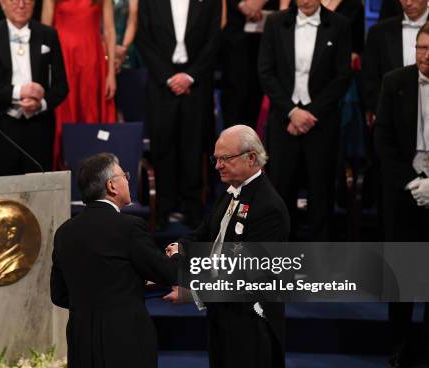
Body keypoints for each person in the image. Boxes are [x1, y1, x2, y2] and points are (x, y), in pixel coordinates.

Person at [164, 125, 290, 368]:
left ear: (251, 159)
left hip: (251, 326)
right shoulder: (230, 194)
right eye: (216, 159)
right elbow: (201, 234)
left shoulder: (268, 207)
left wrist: (193, 293)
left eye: (225, 159)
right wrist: (179, 248)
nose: (218, 165)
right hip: (222, 319)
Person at [50, 153, 179, 368]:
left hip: (81, 337)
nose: (128, 181)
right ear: (111, 186)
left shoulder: (65, 232)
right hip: (124, 337)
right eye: (125, 176)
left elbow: (59, 294)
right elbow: (168, 274)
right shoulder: (129, 227)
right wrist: (175, 255)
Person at [257, 0, 351, 241]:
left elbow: (342, 76)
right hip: (284, 121)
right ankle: (280, 259)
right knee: (281, 191)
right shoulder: (276, 22)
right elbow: (266, 71)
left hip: (321, 122)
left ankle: (320, 259)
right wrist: (291, 112)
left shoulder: (339, 25)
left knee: (321, 193)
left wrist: (310, 113)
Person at [135, 0, 221, 229]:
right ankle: (163, 208)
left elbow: (214, 39)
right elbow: (143, 38)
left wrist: (190, 76)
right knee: (162, 146)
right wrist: (167, 77)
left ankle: (193, 209)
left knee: (193, 147)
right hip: (162, 85)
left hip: (196, 85)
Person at [374, 21, 429, 368]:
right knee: (404, 274)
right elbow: (383, 139)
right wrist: (412, 182)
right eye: (421, 48)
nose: (424, 55)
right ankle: (400, 344)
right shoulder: (395, 82)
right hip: (403, 192)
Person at [0, 0, 68, 176]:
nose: (21, 5)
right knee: (0, 194)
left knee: (39, 192)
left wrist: (41, 104)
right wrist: (19, 92)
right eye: (15, 0)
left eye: (27, 0)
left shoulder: (48, 34)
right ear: (2, 3)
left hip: (39, 130)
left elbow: (61, 86)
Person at [41, 0, 117, 166]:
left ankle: (94, 173)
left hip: (92, 62)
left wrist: (111, 73)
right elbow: (45, 31)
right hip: (63, 60)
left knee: (91, 115)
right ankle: (63, 170)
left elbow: (110, 30)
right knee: (64, 116)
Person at [364, 0, 427, 129]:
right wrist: (383, 113)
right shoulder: (378, 32)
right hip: (392, 122)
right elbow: (369, 79)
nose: (408, 3)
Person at [219, 0, 279, 131]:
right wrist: (241, 4)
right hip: (235, 31)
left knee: (258, 91)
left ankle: (252, 143)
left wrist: (258, 2)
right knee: (235, 92)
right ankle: (230, 145)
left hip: (270, 27)